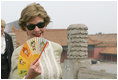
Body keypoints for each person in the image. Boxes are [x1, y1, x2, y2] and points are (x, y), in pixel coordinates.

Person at [9, 3, 63, 79]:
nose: (37, 30)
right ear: (25, 27)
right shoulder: (19, 53)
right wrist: (29, 76)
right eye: (31, 26)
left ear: (45, 24)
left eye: (40, 25)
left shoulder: (57, 48)